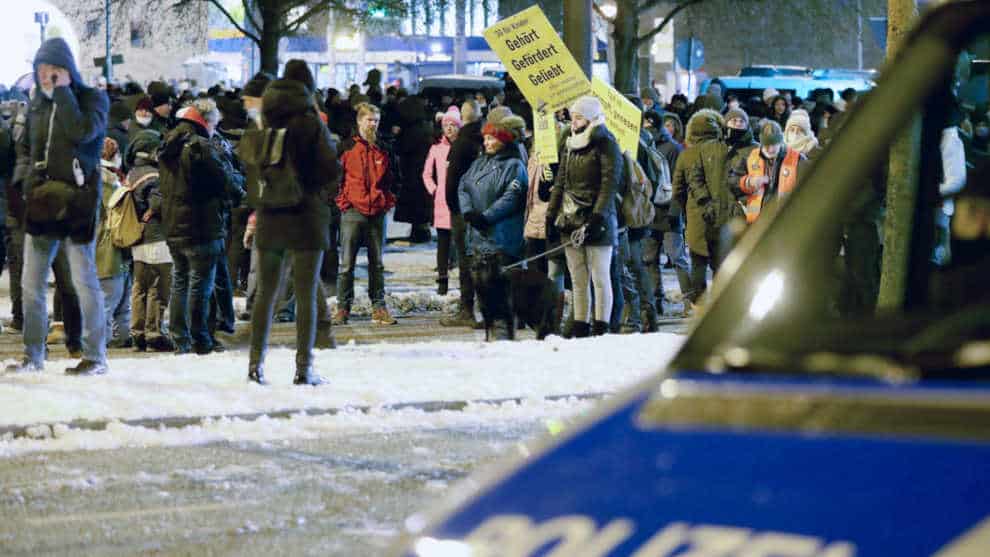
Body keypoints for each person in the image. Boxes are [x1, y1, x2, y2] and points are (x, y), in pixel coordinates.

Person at [6, 38, 110, 375]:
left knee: (83, 281)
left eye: (53, 70)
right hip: (41, 201)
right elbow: (27, 148)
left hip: (77, 201)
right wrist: (26, 183)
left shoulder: (92, 99)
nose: (46, 77)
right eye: (41, 71)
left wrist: (64, 94)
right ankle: (33, 355)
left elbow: (83, 133)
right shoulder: (36, 103)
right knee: (30, 284)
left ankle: (95, 356)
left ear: (67, 70)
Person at [248, 60, 340, 386]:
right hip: (306, 217)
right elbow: (330, 169)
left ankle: (255, 366)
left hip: (271, 216)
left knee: (266, 295)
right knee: (304, 295)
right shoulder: (309, 122)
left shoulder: (265, 121)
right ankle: (303, 368)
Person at [158, 100, 231, 355]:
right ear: (206, 121)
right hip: (201, 225)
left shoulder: (170, 142)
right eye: (214, 124)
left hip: (174, 226)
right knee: (200, 285)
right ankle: (201, 339)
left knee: (181, 281)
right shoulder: (200, 146)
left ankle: (181, 338)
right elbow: (221, 181)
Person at [547, 96, 621, 337]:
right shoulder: (570, 143)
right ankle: (581, 325)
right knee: (578, 278)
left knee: (600, 277)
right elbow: (561, 182)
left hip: (597, 220)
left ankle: (601, 326)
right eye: (573, 116)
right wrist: (551, 214)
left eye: (579, 116)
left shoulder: (606, 142)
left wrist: (597, 217)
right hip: (569, 219)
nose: (573, 120)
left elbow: (609, 184)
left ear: (591, 118)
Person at [458, 114, 528, 341]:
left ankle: (505, 326)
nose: (487, 143)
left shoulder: (515, 165)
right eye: (485, 139)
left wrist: (487, 217)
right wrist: (468, 211)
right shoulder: (479, 162)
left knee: (502, 283)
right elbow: (463, 186)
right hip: (478, 235)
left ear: (504, 140)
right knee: (482, 284)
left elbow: (512, 196)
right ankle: (490, 322)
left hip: (501, 235)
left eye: (492, 139)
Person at [334, 102, 397, 326]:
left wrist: (387, 200)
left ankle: (379, 306)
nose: (373, 124)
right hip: (352, 210)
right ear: (360, 121)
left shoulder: (384, 148)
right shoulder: (346, 147)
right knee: (347, 263)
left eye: (376, 120)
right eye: (370, 120)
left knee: (377, 263)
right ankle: (343, 307)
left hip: (377, 211)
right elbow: (335, 178)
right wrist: (343, 202)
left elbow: (393, 177)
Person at [125, 129, 173, 352]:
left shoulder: (132, 173)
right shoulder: (153, 175)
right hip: (155, 237)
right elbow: (157, 204)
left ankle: (137, 334)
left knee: (139, 286)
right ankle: (154, 333)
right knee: (158, 286)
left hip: (137, 239)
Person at [440, 100, 485, 328]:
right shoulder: (486, 140)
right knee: (482, 259)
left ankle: (467, 308)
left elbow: (451, 182)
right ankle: (482, 308)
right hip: (484, 210)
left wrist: (453, 207)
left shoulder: (461, 144)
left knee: (466, 261)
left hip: (462, 211)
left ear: (463, 118)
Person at [731, 120, 809, 225]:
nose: (771, 149)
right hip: (755, 220)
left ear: (781, 142)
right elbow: (733, 182)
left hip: (786, 220)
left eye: (774, 144)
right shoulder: (750, 157)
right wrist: (748, 182)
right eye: (767, 145)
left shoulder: (797, 159)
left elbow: (810, 186)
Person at [97, 138, 132, 348]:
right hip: (108, 249)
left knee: (118, 297)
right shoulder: (105, 183)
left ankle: (120, 336)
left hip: (113, 249)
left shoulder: (108, 180)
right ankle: (99, 341)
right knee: (110, 298)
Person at [423, 106, 461, 295]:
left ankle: (465, 281)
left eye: (453, 125)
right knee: (443, 243)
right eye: (446, 125)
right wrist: (435, 189)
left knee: (461, 243)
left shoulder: (464, 148)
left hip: (461, 202)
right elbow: (427, 174)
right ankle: (443, 281)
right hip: (442, 202)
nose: (449, 128)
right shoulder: (436, 149)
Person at [393, 95, 435, 243]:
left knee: (417, 205)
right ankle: (421, 231)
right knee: (421, 205)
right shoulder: (424, 126)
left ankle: (420, 233)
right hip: (421, 172)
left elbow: (401, 148)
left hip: (414, 172)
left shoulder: (412, 130)